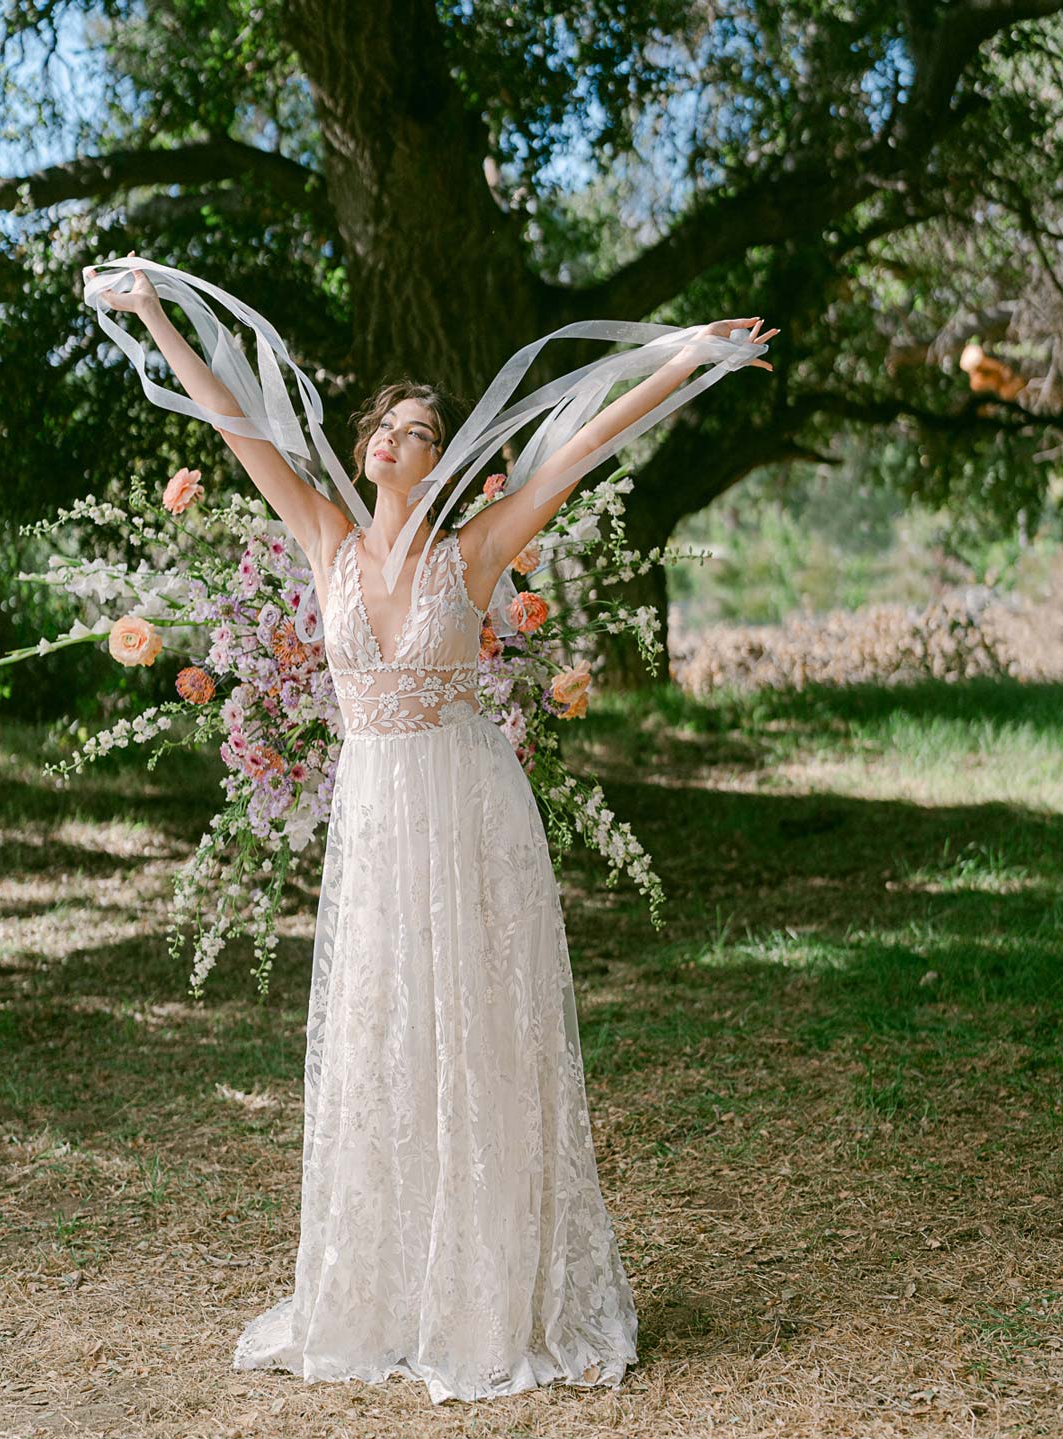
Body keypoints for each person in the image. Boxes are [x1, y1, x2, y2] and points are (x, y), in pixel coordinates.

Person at [84, 254, 775, 1403]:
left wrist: (690, 356)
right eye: (388, 424)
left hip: (470, 814)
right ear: (366, 447)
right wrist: (154, 306)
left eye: (420, 426)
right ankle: (391, 1284)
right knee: (383, 1037)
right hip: (378, 822)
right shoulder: (324, 539)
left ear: (444, 456)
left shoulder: (477, 549)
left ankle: (491, 1291)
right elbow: (234, 419)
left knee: (479, 1034)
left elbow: (578, 441)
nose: (399, 435)